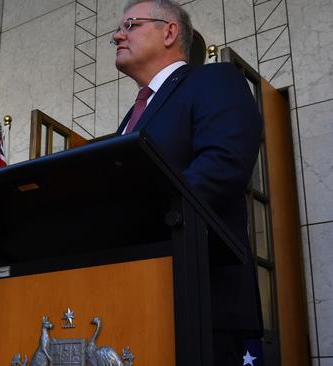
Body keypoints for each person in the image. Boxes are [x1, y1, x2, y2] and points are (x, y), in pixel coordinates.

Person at [112, 0, 263, 364]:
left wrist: (129, 221)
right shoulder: (131, 117)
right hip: (138, 300)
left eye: (131, 25)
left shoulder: (215, 80)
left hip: (204, 300)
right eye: (119, 29)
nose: (118, 34)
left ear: (169, 31)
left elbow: (222, 166)